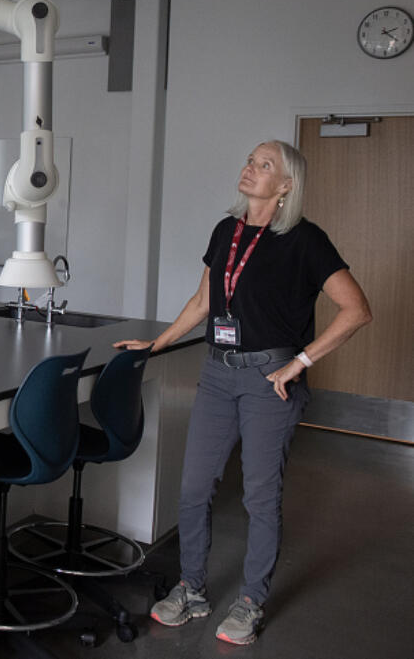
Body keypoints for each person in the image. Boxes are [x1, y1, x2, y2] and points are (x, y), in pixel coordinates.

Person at [115, 140, 371, 645]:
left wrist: (301, 362)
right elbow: (204, 299)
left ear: (286, 186)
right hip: (216, 373)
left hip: (268, 380)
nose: (251, 168)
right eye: (251, 160)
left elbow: (356, 309)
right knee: (192, 489)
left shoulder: (306, 240)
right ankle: (191, 589)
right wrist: (158, 342)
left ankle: (251, 600)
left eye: (265, 165)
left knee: (260, 496)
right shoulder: (225, 230)